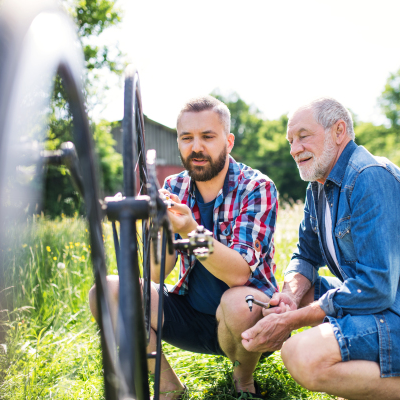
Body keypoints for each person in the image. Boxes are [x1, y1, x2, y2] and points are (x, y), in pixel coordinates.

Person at [241, 97, 400, 400]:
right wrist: (290, 298)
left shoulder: (370, 175)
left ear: (339, 131)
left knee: (300, 356)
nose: (294, 149)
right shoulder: (318, 185)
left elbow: (376, 286)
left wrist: (291, 320)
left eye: (303, 136)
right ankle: (361, 382)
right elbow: (305, 255)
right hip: (379, 302)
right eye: (290, 140)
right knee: (283, 296)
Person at [90, 96, 279, 399]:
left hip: (248, 321)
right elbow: (154, 274)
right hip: (190, 312)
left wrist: (191, 230)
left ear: (228, 141)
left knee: (237, 303)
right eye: (187, 138)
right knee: (108, 290)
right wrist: (163, 231)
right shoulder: (173, 189)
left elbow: (239, 276)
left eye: (207, 137)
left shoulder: (256, 187)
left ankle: (243, 381)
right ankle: (168, 388)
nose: (196, 147)